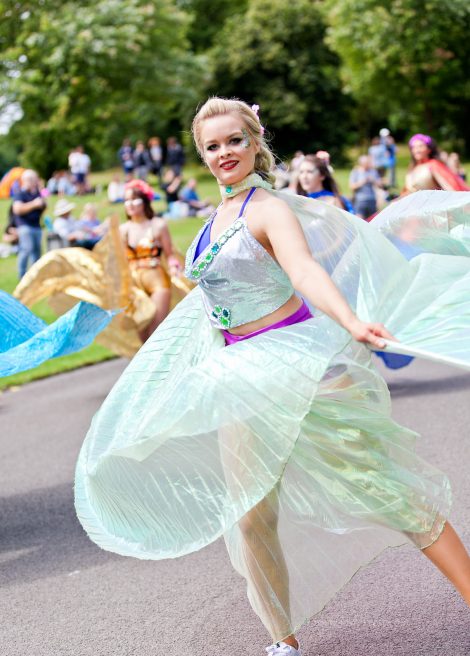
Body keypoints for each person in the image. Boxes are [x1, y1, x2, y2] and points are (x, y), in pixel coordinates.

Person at [75, 99, 470, 656]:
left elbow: (303, 269)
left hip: (297, 368)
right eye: (212, 147)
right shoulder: (211, 224)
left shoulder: (268, 210)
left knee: (392, 494)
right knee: (252, 517)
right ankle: (283, 643)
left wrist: (352, 320)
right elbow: (213, 306)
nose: (224, 154)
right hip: (242, 383)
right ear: (202, 155)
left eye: (234, 141)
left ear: (254, 142)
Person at [120, 179, 186, 341]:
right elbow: (121, 261)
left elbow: (169, 255)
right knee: (142, 337)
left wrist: (174, 267)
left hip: (158, 283)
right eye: (127, 200)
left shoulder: (158, 225)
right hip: (134, 286)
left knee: (155, 335)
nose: (130, 204)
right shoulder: (123, 229)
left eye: (135, 199)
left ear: (144, 202)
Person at [403, 134, 470, 194]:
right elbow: (407, 191)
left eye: (420, 146)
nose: (417, 150)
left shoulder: (433, 165)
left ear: (429, 149)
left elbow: (448, 187)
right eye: (414, 147)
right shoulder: (412, 168)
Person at [12, 169, 47, 278]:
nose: (34, 182)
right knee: (26, 250)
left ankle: (35, 277)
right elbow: (17, 209)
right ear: (25, 180)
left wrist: (43, 200)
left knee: (37, 253)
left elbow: (43, 207)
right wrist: (34, 204)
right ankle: (22, 276)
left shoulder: (37, 193)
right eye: (32, 179)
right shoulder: (20, 194)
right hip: (25, 226)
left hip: (36, 226)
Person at [349, 154, 382, 219]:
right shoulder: (356, 172)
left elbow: (380, 184)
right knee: (359, 220)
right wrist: (362, 182)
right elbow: (351, 187)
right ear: (362, 163)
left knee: (373, 220)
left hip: (372, 199)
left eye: (369, 162)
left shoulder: (373, 171)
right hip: (360, 200)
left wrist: (373, 180)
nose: (369, 164)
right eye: (367, 163)